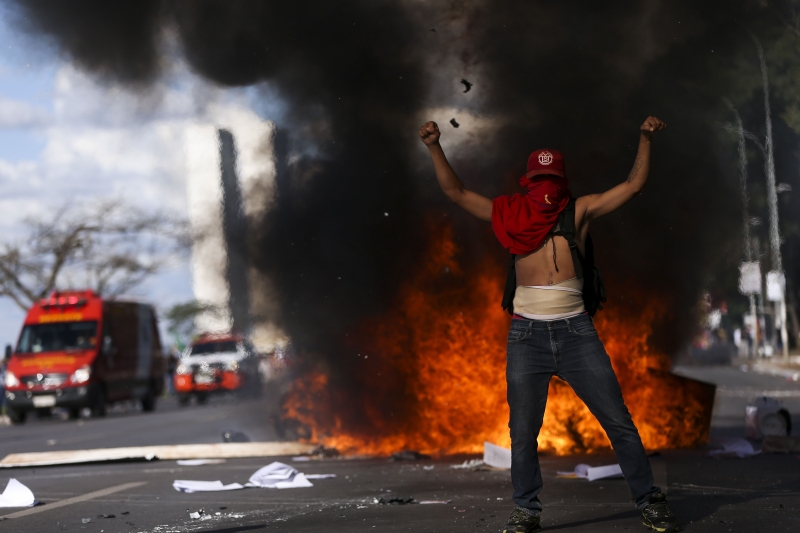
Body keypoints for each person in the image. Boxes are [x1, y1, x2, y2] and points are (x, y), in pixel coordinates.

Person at [419, 116, 678, 533]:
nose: (546, 190)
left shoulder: (579, 211)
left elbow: (632, 187)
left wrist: (644, 140)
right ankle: (526, 510)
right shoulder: (509, 214)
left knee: (619, 423)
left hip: (577, 333)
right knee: (522, 435)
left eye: (551, 180)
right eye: (539, 180)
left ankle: (649, 500)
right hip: (527, 336)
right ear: (528, 180)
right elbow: (457, 193)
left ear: (561, 180)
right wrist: (434, 146)